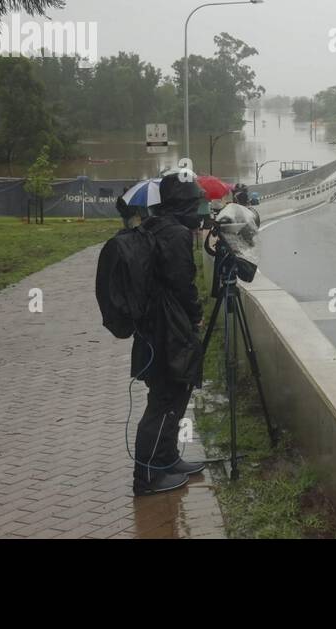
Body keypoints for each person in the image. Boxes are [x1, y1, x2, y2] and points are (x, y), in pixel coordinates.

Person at [131, 173, 207, 495]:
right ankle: (147, 476)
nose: (199, 210)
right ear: (180, 204)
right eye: (194, 203)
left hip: (155, 328)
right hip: (168, 331)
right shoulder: (175, 234)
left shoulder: (153, 226)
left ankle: (168, 459)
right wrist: (196, 315)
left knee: (171, 397)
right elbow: (182, 285)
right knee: (164, 400)